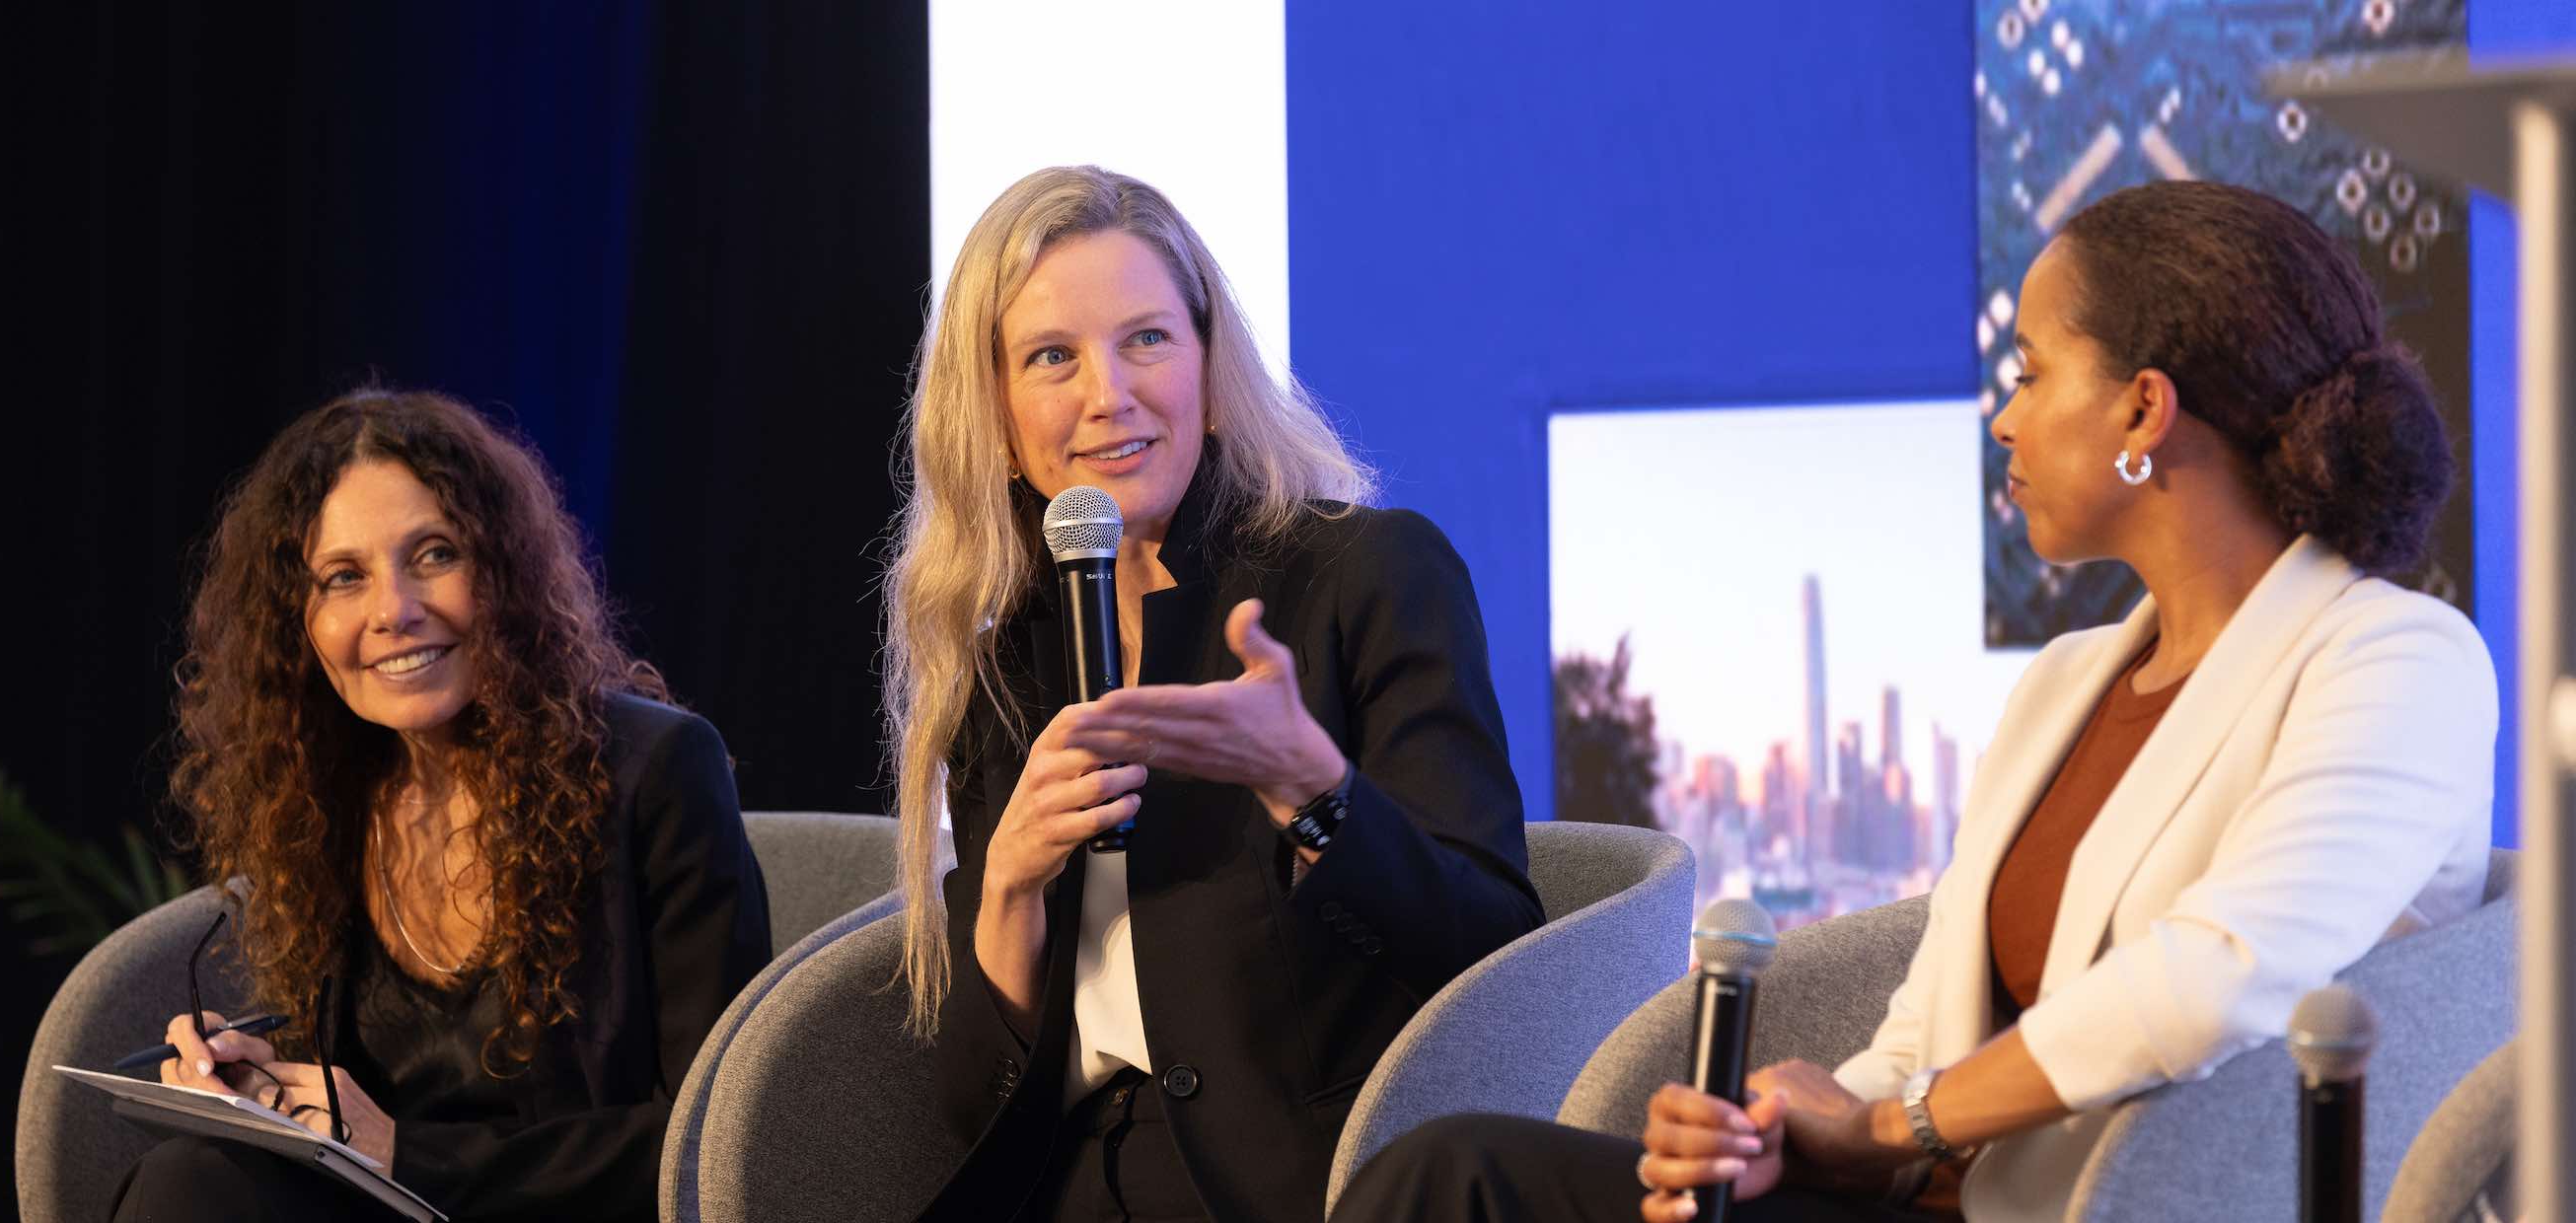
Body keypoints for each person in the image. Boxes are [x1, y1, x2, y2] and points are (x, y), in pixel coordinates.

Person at [1336, 179, 2496, 1222]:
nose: (2005, 417)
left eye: (2031, 373)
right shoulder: (2067, 682)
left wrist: (1895, 1125)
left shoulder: (2396, 660)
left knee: (1459, 1181)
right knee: (1454, 1169)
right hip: (1923, 1200)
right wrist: (1796, 1130)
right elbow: (1928, 1028)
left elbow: (2225, 974)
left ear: (2144, 411)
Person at [879, 165, 1544, 1223]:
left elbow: (1498, 963)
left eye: (1146, 338)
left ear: (1209, 367)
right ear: (997, 415)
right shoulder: (1004, 672)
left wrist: (1314, 790)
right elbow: (971, 1110)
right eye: (1052, 357)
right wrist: (1007, 884)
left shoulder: (1368, 576)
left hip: (1307, 1188)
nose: (1108, 394)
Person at [110, 389, 772, 1222]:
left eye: (434, 555)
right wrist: (268, 1094)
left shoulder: (657, 772)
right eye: (344, 577)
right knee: (193, 1175)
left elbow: (721, 1130)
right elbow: (354, 1123)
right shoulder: (324, 802)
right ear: (296, 625)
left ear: (503, 573)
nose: (395, 610)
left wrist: (405, 1153)